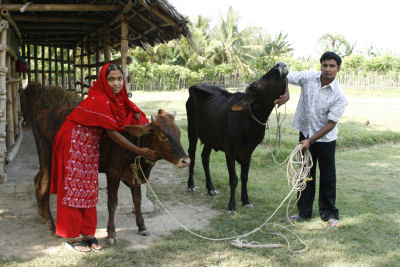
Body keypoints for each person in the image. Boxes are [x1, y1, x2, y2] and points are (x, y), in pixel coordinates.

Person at [50, 63, 156, 252]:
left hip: (90, 145)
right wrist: (139, 151)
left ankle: (88, 233)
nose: (116, 83)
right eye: (111, 79)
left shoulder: (118, 99)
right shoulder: (100, 98)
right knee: (74, 189)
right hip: (74, 141)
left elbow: (133, 116)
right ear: (103, 81)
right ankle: (72, 236)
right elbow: (114, 133)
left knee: (89, 189)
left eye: (119, 79)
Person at [274, 51, 349, 228]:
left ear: (338, 68)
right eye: (325, 65)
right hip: (305, 134)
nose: (328, 69)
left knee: (327, 176)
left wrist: (311, 140)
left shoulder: (339, 95)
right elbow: (283, 70)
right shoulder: (309, 78)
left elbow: (331, 124)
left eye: (332, 66)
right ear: (320, 65)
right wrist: (286, 94)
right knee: (305, 174)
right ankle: (304, 212)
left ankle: (329, 214)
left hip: (325, 139)